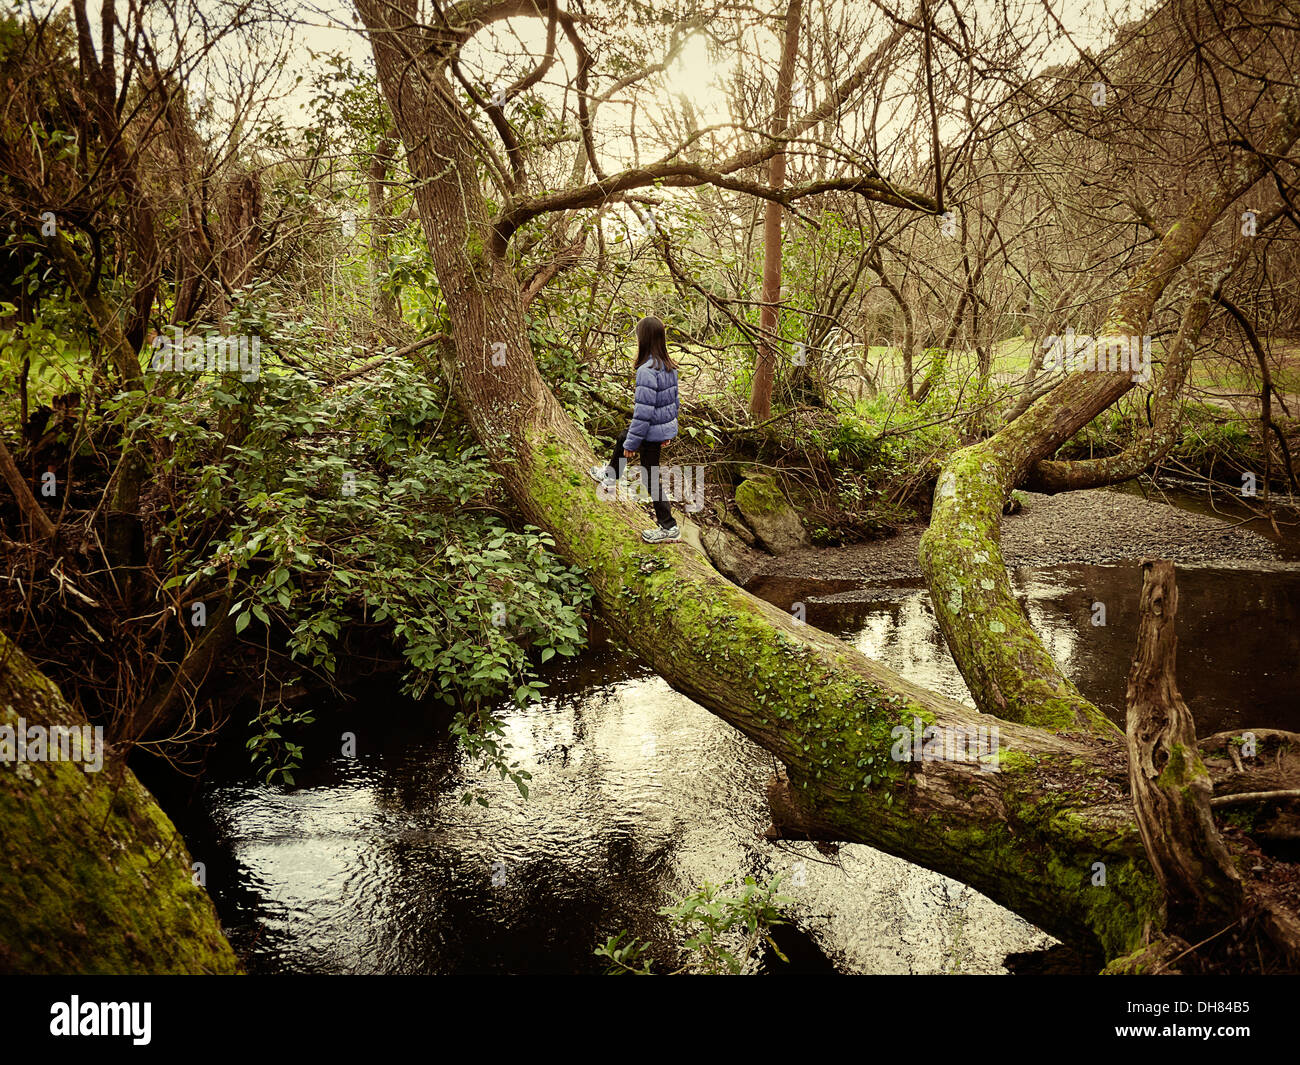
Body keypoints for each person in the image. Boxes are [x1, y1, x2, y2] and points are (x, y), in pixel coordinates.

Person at [589, 315, 681, 543]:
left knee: (649, 477)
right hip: (657, 431)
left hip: (650, 431)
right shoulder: (669, 367)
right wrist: (667, 433)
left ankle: (668, 527)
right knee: (623, 436)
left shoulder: (646, 370)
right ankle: (611, 476)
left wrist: (632, 445)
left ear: (644, 339)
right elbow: (674, 404)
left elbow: (644, 413)